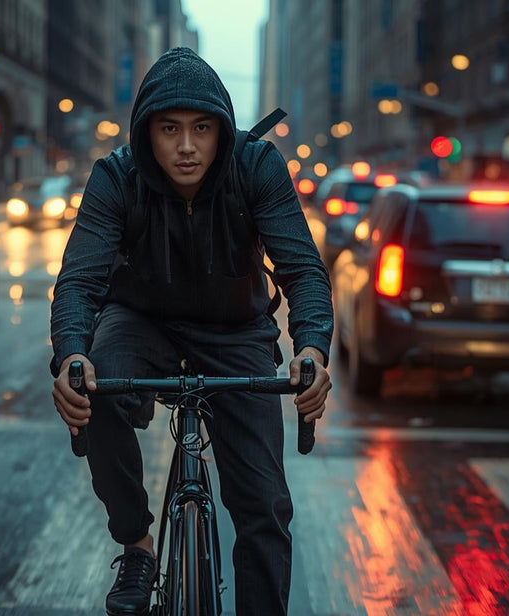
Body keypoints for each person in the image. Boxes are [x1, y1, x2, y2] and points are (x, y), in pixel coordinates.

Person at [49, 47, 333, 616]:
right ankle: (137, 544)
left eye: (201, 129)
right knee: (92, 383)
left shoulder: (256, 167)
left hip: (237, 330)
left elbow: (304, 271)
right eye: (169, 128)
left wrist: (310, 348)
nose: (185, 146)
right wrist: (70, 356)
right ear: (145, 132)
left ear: (221, 130)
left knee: (265, 506)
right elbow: (78, 282)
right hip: (141, 320)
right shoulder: (115, 177)